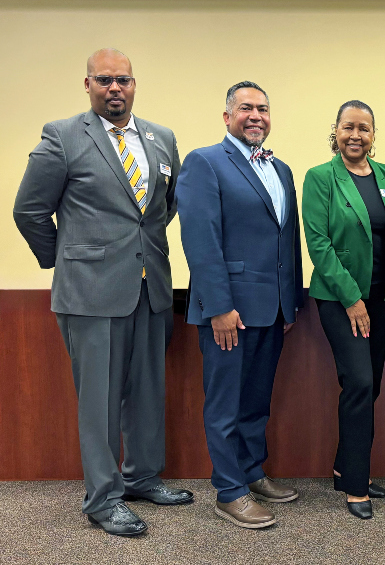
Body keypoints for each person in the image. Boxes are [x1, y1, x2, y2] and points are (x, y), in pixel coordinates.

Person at [13, 48, 191, 537]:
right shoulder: (63, 136)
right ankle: (103, 498)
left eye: (125, 80)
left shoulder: (161, 138)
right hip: (89, 293)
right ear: (88, 84)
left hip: (150, 287)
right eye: (105, 80)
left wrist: (138, 251)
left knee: (147, 391)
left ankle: (141, 477)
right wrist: (67, 260)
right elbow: (29, 210)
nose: (116, 88)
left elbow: (162, 208)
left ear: (135, 85)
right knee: (100, 400)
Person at [176, 81, 303, 529]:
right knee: (225, 404)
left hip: (272, 310)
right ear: (227, 116)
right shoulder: (205, 162)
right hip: (227, 312)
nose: (255, 115)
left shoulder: (281, 168)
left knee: (256, 401)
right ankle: (229, 490)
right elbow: (200, 239)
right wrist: (218, 307)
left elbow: (288, 239)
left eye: (263, 109)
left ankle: (251, 472)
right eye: (245, 108)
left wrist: (292, 303)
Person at [303, 100, 385, 520]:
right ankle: (355, 485)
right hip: (340, 301)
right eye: (348, 127)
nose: (355, 135)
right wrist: (353, 300)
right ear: (335, 131)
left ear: (373, 134)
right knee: (361, 383)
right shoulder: (320, 178)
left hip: (384, 301)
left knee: (370, 386)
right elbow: (319, 245)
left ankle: (343, 465)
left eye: (364, 128)